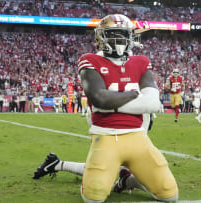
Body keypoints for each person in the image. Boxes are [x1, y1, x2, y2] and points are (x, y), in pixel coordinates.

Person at [33, 14, 178, 203]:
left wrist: (113, 101)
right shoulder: (90, 60)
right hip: (106, 135)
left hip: (138, 135)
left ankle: (125, 181)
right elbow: (100, 98)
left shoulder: (141, 61)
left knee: (170, 193)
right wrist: (135, 95)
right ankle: (70, 168)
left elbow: (152, 104)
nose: (119, 39)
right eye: (113, 34)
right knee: (94, 197)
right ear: (101, 37)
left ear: (131, 37)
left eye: (123, 34)